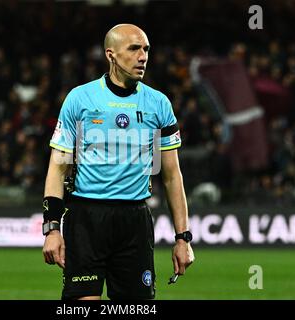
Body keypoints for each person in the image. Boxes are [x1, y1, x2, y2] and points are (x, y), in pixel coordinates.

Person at [42, 24, 194, 300]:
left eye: (146, 49)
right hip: (86, 219)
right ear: (111, 54)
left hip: (134, 221)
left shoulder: (159, 104)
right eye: (134, 49)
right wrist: (52, 228)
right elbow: (58, 166)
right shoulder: (79, 99)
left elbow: (172, 176)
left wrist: (183, 238)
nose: (143, 56)